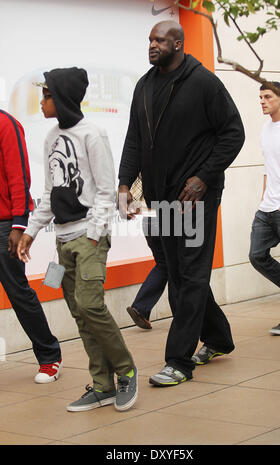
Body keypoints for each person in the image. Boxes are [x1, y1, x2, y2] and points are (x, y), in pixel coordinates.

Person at [118, 21, 245, 387]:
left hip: (195, 201)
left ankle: (179, 361)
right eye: (150, 40)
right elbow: (135, 141)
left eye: (159, 39)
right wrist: (125, 183)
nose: (152, 45)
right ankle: (218, 338)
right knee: (181, 274)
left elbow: (233, 132)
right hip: (160, 201)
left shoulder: (204, 83)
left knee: (187, 276)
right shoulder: (144, 85)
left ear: (178, 42)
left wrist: (204, 176)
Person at [17, 67, 138, 412]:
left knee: (89, 305)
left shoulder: (93, 134)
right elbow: (49, 191)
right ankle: (103, 385)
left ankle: (126, 370)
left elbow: (105, 190)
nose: (41, 102)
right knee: (80, 314)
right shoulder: (52, 136)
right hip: (63, 239)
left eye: (47, 95)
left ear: (63, 97)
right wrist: (30, 231)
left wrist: (96, 235)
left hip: (88, 235)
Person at [0, 108, 62, 383]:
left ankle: (50, 356)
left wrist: (19, 224)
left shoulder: (6, 124)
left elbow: (18, 175)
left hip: (4, 225)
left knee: (18, 293)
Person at [249, 81, 280, 335]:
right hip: (268, 206)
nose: (262, 101)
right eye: (260, 97)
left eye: (267, 96)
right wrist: (264, 200)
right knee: (257, 256)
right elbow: (269, 167)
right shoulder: (266, 129)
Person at [127, 216, 168, 330]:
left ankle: (140, 308)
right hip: (166, 218)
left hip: (148, 221)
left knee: (163, 264)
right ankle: (187, 315)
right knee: (177, 266)